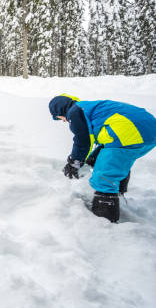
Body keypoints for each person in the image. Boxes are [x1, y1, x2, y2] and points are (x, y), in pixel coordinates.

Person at [49, 94, 156, 222]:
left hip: (127, 133)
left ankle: (104, 221)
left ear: (60, 110)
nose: (63, 121)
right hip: (148, 133)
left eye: (59, 118)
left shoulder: (74, 112)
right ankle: (118, 196)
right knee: (115, 163)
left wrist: (74, 162)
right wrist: (91, 158)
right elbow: (99, 136)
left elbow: (83, 141)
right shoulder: (89, 107)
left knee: (104, 176)